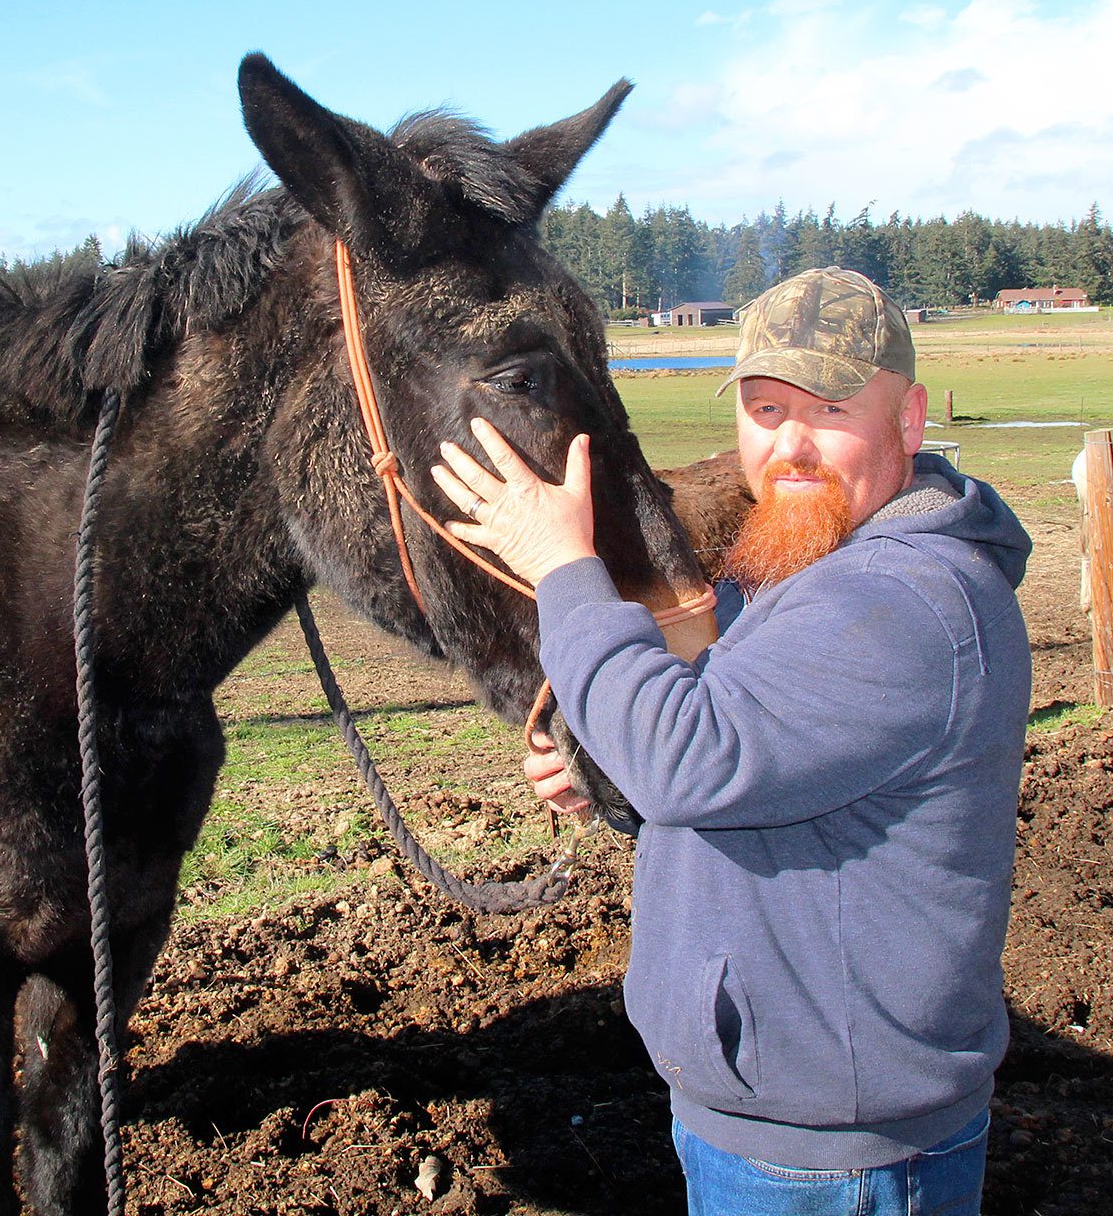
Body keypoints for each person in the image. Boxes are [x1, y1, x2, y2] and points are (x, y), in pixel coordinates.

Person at [431, 267, 1032, 1216]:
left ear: (909, 421)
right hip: (781, 1126)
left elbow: (692, 757)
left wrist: (562, 567)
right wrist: (610, 779)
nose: (788, 442)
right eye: (763, 406)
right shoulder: (815, 566)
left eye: (830, 407)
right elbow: (738, 770)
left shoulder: (900, 602)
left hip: (841, 1167)